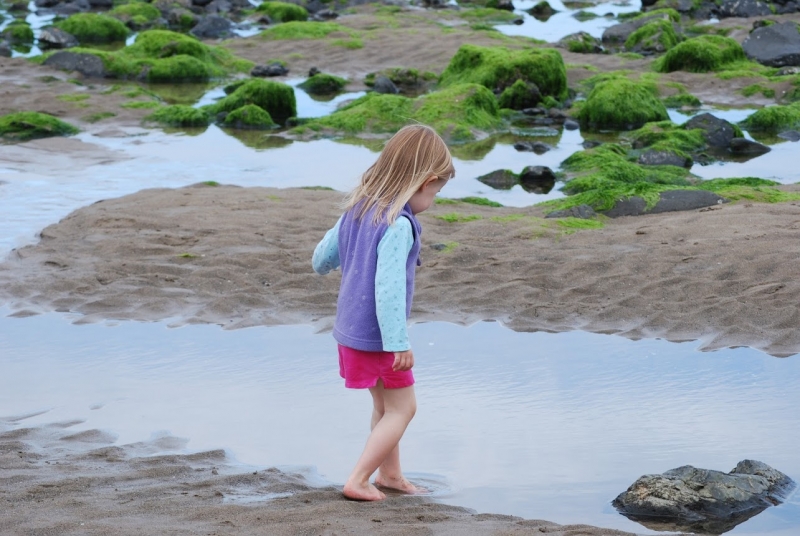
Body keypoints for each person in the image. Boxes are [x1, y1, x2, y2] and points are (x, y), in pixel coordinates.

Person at [311, 124, 454, 501]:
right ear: (425, 180)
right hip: (378, 338)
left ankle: (390, 476)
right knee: (404, 409)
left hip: (349, 331)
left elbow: (321, 258)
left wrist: (344, 258)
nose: (434, 199)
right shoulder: (399, 224)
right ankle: (358, 479)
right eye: (436, 192)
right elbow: (387, 290)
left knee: (384, 406)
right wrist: (398, 343)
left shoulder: (357, 209)